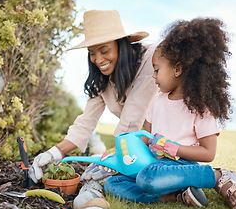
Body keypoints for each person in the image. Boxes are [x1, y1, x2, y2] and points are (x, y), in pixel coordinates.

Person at [104, 18, 236, 209]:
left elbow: (208, 152)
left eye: (156, 70)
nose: (153, 76)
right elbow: (143, 139)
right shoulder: (157, 100)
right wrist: (118, 156)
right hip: (154, 166)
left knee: (147, 177)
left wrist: (173, 148)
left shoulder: (200, 106)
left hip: (180, 166)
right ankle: (178, 196)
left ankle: (217, 177)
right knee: (113, 184)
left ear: (178, 69)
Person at [29, 10, 158, 183]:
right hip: (133, 149)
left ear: (122, 45)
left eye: (104, 50)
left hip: (165, 143)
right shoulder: (102, 78)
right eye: (92, 53)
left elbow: (132, 117)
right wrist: (53, 153)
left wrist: (112, 160)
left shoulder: (150, 59)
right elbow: (86, 122)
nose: (98, 60)